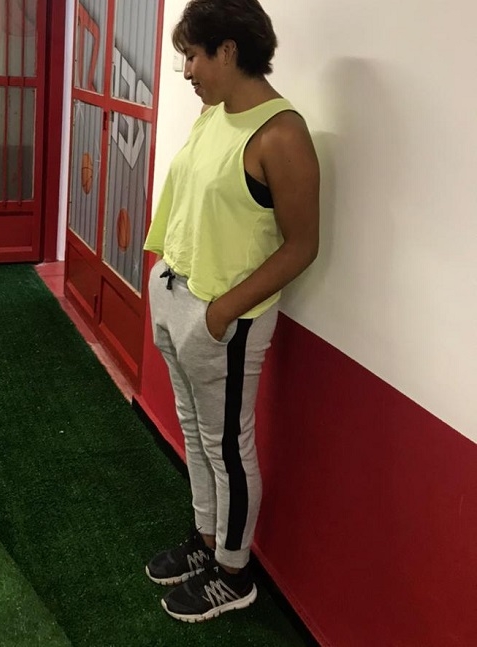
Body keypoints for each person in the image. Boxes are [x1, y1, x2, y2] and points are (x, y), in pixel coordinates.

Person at [143, 0, 320, 623]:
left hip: (226, 319)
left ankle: (234, 571)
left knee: (227, 446)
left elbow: (302, 244)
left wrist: (221, 313)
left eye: (192, 56)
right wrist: (162, 272)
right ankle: (206, 536)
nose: (186, 70)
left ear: (228, 50)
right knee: (195, 432)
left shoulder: (281, 133)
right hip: (177, 293)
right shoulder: (212, 114)